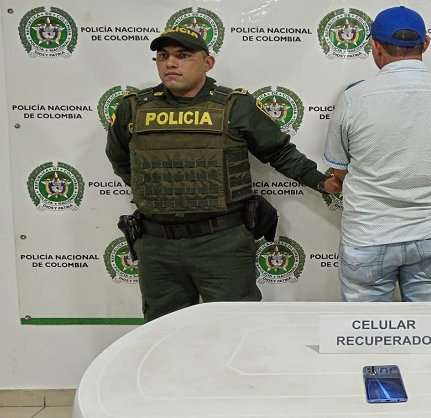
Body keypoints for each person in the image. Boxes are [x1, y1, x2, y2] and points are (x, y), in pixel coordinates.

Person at [106, 27, 341, 322]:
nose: (170, 63)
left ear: (208, 63)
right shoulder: (133, 108)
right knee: (162, 334)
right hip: (157, 246)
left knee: (236, 328)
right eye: (163, 56)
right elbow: (120, 160)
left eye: (183, 56)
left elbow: (278, 152)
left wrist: (321, 181)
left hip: (221, 243)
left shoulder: (235, 106)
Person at [323, 6, 431, 302]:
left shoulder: (353, 98)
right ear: (426, 43)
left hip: (368, 236)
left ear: (375, 46)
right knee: (427, 337)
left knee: (365, 337)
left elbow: (339, 171)